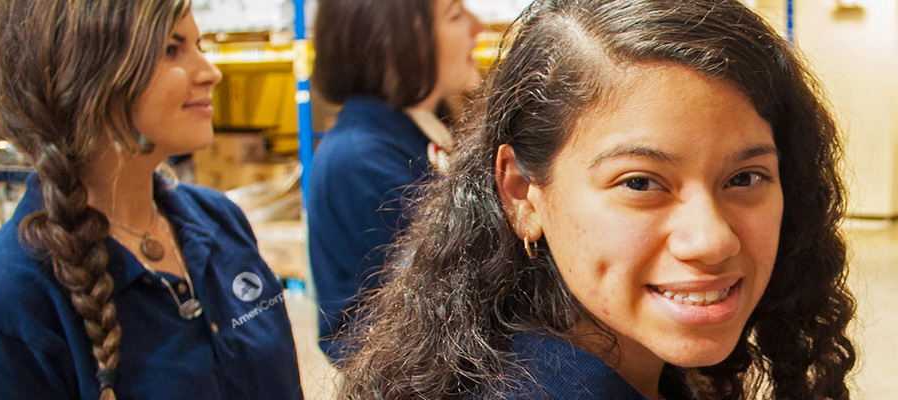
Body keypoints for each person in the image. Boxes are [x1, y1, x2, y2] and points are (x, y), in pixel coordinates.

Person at [336, 0, 856, 398]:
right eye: (639, 183)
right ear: (521, 193)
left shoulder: (642, 364)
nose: (712, 239)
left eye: (744, 178)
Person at [0, 1, 303, 399]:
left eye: (198, 44)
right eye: (171, 49)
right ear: (83, 73)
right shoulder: (9, 298)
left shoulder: (220, 221)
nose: (211, 72)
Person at [307, 0, 486, 362]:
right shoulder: (362, 161)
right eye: (455, 15)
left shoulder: (417, 131)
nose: (477, 26)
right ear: (397, 41)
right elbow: (451, 295)